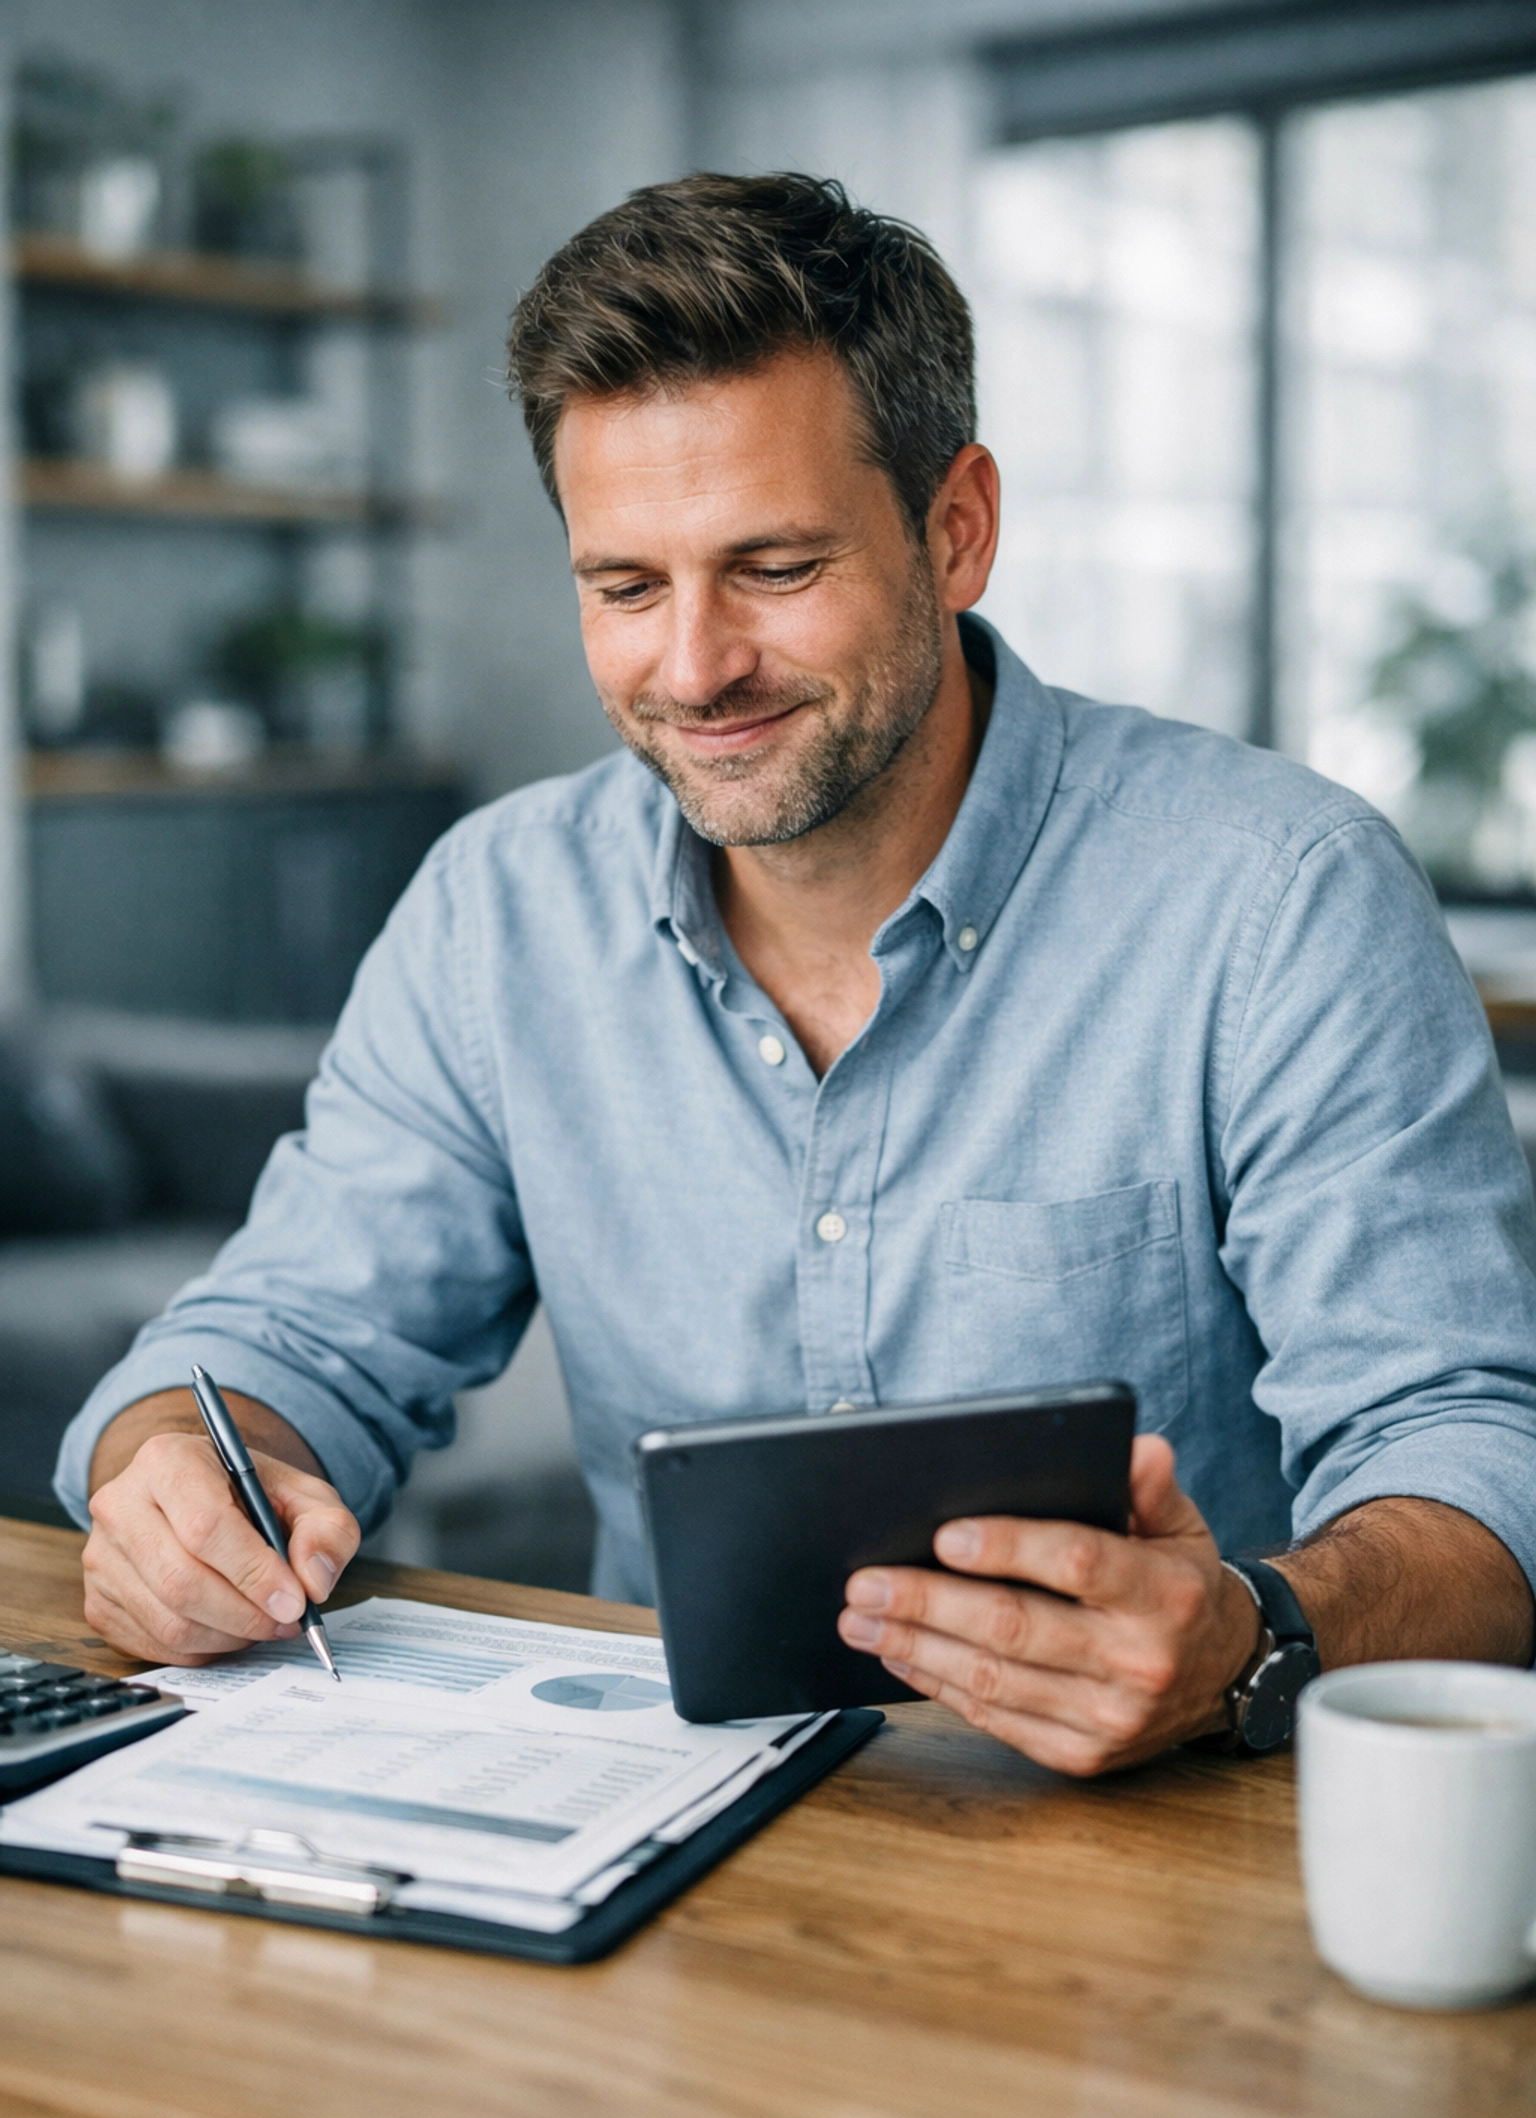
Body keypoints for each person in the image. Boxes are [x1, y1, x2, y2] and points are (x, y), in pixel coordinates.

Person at [61, 174, 1536, 1774]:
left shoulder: (1282, 899)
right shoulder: (499, 912)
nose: (695, 669)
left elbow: (1473, 1461)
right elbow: (289, 1337)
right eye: (626, 588)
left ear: (957, 529)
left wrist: (1253, 1633)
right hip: (655, 1826)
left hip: (1164, 1833)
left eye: (772, 568)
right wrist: (177, 1472)